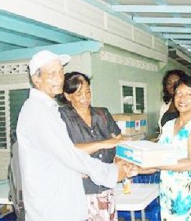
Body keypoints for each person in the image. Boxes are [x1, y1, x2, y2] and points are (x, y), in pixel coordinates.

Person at [16, 50, 129, 221]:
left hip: (65, 202)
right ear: (36, 79)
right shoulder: (38, 112)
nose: (59, 78)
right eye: (52, 73)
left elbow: (61, 158)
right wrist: (112, 173)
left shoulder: (48, 109)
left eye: (61, 72)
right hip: (53, 209)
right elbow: (69, 154)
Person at [143, 75, 191, 220]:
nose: (182, 99)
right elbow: (158, 157)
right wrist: (138, 167)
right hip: (169, 195)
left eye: (189, 94)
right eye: (179, 94)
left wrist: (156, 163)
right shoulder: (169, 125)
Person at [58, 71, 123, 221]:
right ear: (68, 96)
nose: (85, 97)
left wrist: (121, 162)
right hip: (78, 189)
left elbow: (120, 142)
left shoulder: (102, 114)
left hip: (105, 187)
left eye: (87, 91)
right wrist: (103, 143)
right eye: (79, 94)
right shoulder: (61, 117)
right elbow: (66, 151)